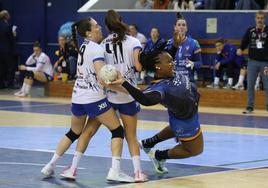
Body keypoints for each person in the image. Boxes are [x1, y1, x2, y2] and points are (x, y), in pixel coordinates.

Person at [41, 17, 134, 183]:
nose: (100, 28)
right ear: (89, 33)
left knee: (73, 132)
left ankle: (50, 165)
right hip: (93, 99)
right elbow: (102, 79)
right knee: (117, 130)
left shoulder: (84, 46)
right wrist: (129, 90)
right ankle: (115, 171)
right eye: (96, 27)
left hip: (77, 97)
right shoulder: (96, 49)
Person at [109, 50, 203, 174]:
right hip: (186, 122)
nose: (173, 63)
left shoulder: (169, 73)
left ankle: (148, 143)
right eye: (169, 61)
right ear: (158, 67)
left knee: (175, 128)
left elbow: (169, 54)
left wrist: (175, 44)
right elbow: (146, 100)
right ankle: (159, 156)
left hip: (185, 115)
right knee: (195, 150)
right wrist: (124, 83)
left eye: (172, 60)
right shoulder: (160, 88)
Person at [237, 11, 268, 113]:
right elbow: (244, 42)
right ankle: (250, 106)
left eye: (262, 18)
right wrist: (240, 48)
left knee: (267, 85)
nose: (260, 20)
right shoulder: (250, 30)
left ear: (264, 19)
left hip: (265, 63)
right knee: (250, 85)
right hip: (252, 62)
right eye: (258, 18)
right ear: (255, 19)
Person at [165, 14, 202, 82]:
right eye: (179, 25)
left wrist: (193, 64)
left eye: (183, 25)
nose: (181, 27)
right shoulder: (168, 43)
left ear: (186, 28)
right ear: (175, 27)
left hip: (188, 80)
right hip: (172, 80)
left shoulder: (194, 43)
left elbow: (199, 64)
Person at [0, 10, 16, 89]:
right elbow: (11, 39)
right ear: (6, 16)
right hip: (7, 49)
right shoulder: (8, 26)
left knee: (1, 67)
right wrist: (14, 35)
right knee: (11, 67)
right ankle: (10, 84)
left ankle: (1, 84)